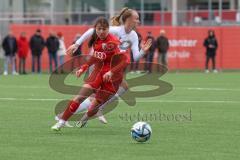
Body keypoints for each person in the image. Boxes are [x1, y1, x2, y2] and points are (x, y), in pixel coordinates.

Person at [64, 7, 152, 124]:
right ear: (128, 19)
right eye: (136, 18)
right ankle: (64, 116)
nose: (138, 21)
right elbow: (91, 31)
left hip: (114, 70)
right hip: (100, 65)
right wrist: (76, 44)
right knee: (91, 96)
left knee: (121, 89)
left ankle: (94, 111)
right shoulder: (115, 30)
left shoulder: (134, 35)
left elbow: (135, 57)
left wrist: (143, 52)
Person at [51, 17, 128, 131]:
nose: (101, 31)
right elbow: (95, 57)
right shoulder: (96, 40)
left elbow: (124, 60)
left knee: (93, 108)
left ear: (108, 29)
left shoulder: (113, 43)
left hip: (111, 80)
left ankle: (86, 117)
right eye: (99, 29)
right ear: (95, 29)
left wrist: (111, 72)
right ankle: (61, 123)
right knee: (79, 97)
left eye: (104, 29)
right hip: (97, 74)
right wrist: (83, 68)